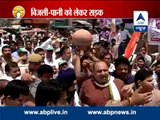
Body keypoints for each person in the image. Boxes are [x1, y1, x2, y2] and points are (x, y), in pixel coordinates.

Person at [80, 61, 151, 106]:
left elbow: (126, 105)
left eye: (105, 70)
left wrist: (128, 96)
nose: (103, 73)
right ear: (93, 72)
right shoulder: (86, 85)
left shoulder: (118, 83)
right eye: (99, 71)